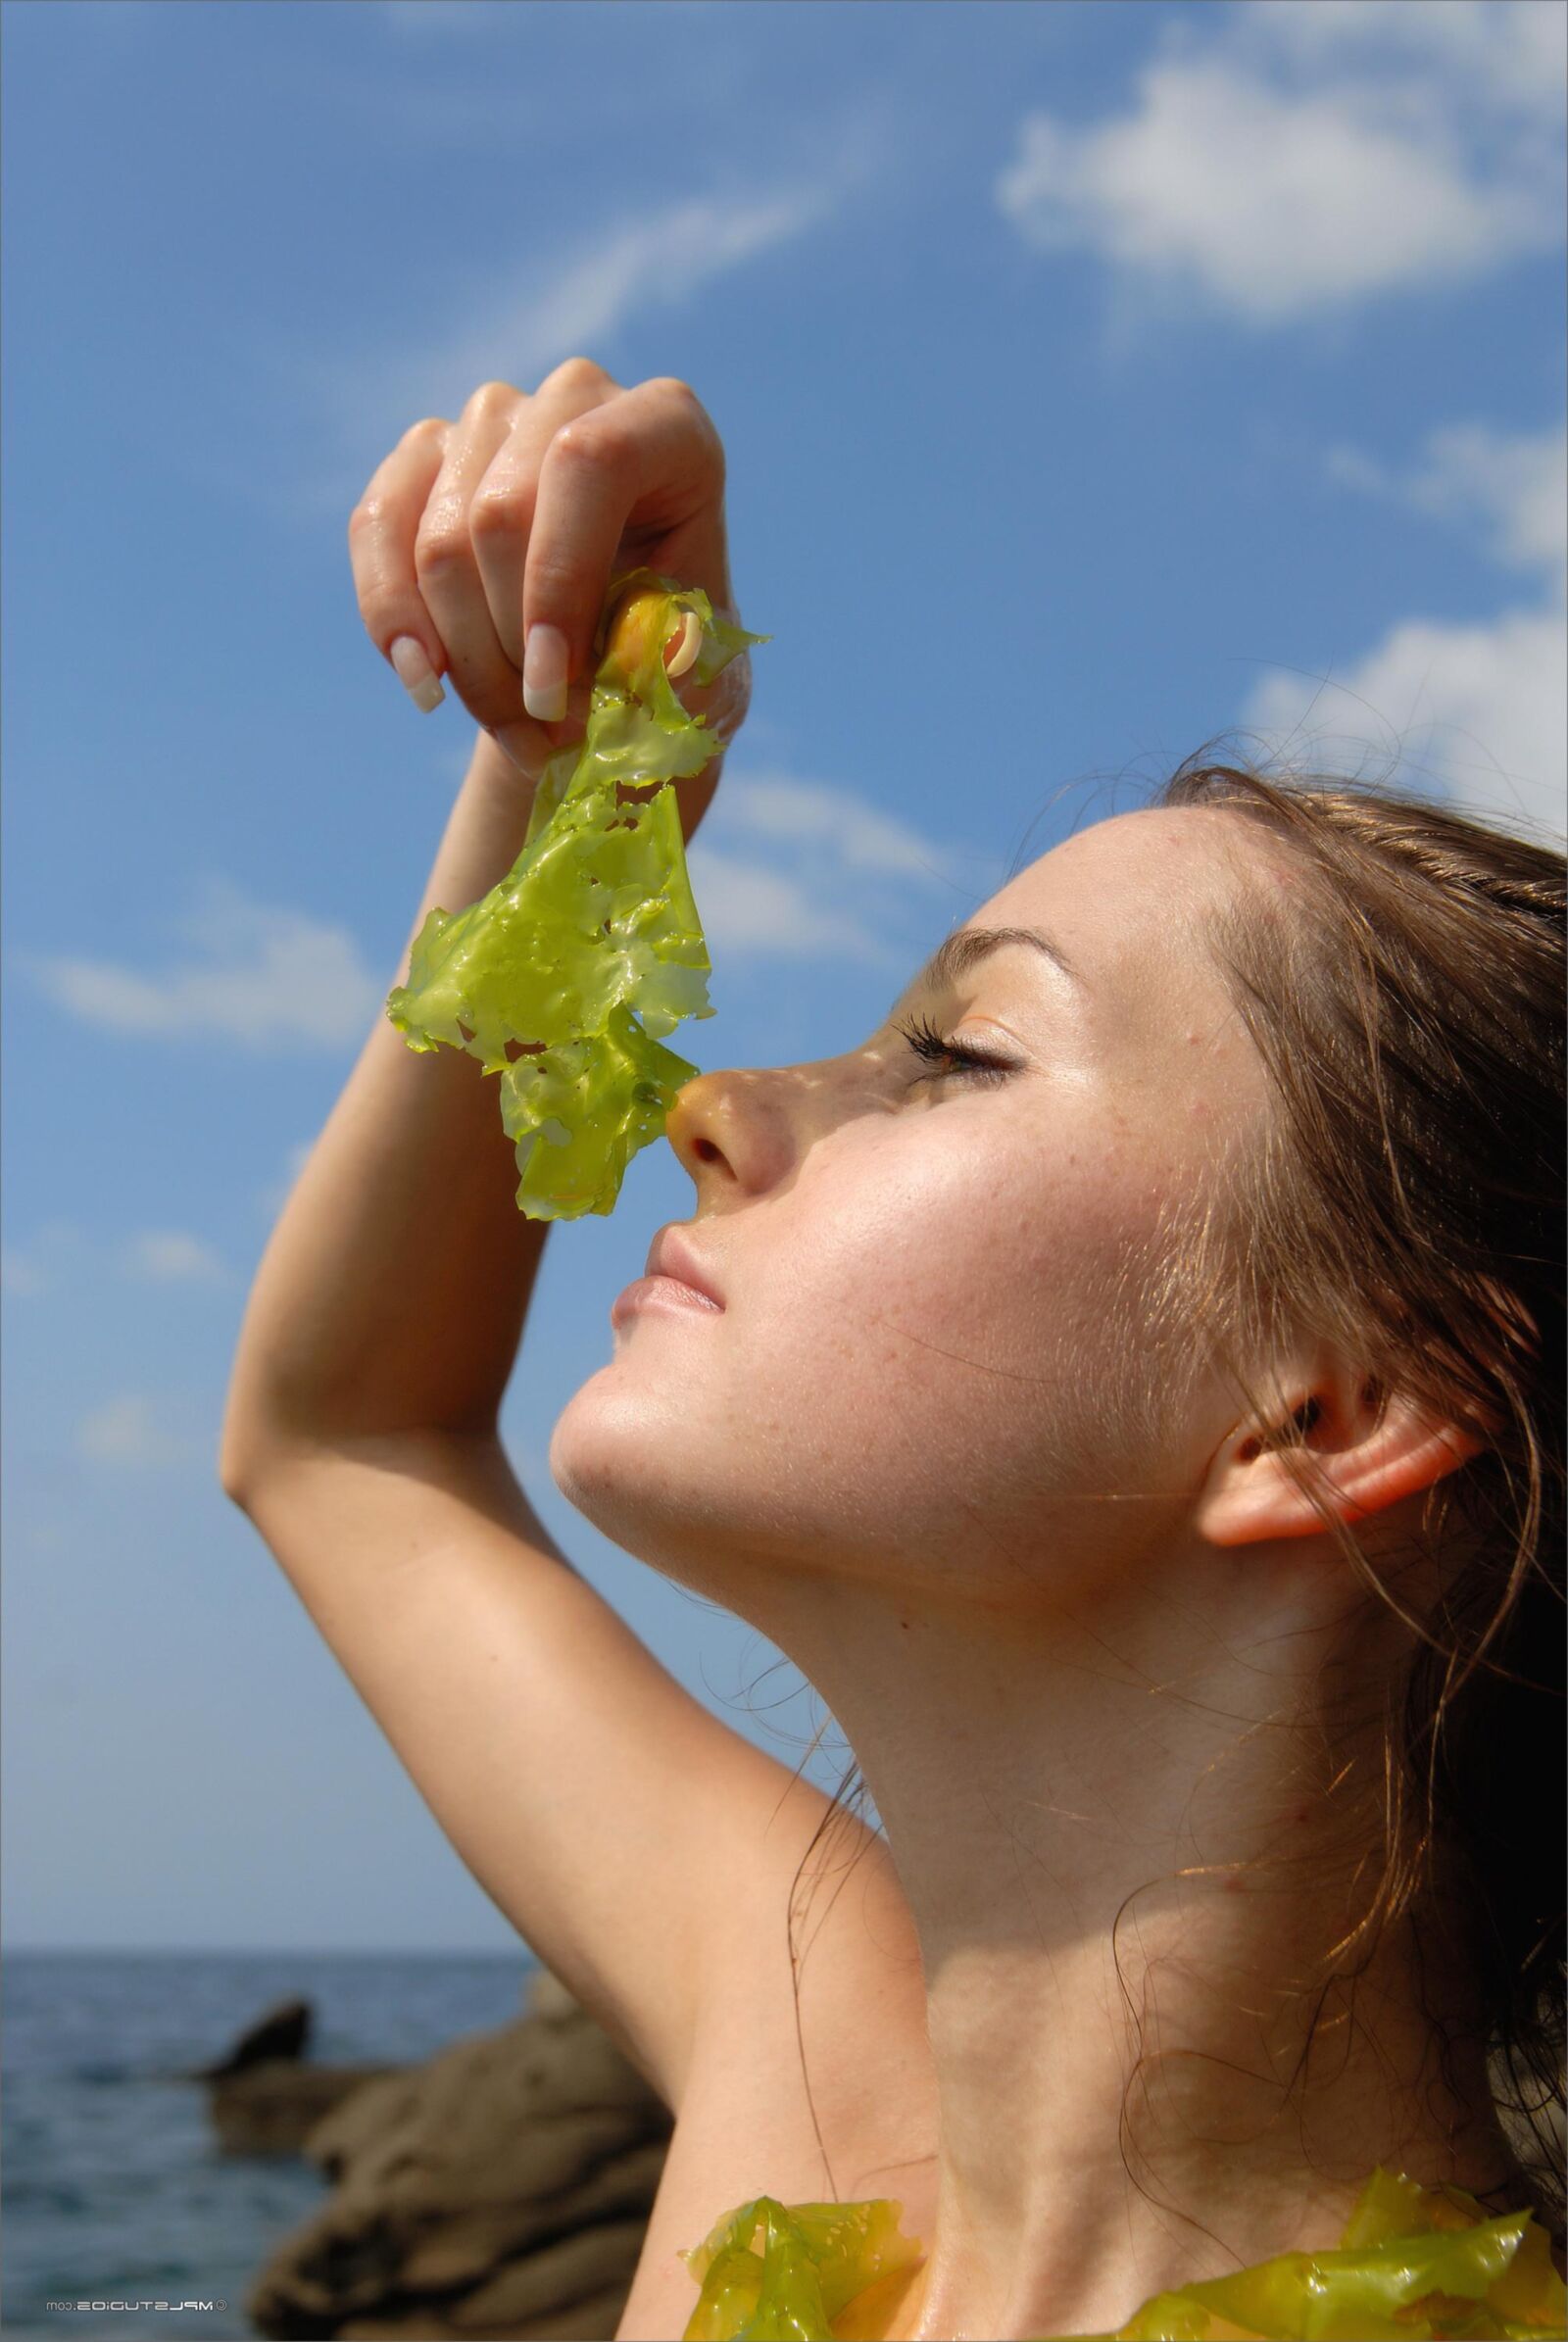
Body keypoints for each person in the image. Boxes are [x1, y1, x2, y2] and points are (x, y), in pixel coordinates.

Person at [220, 360, 1565, 2341]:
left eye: (951, 1058)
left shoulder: (801, 2105)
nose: (715, 1105)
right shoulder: (809, 2094)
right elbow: (344, 1435)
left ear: (1332, 1406)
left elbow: (350, 1438)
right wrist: (592, 765)